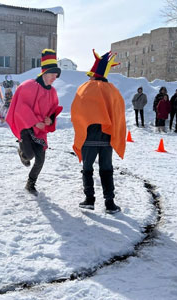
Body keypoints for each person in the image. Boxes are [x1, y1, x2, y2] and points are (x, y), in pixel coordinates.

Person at [71, 49, 126, 214]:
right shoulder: (113, 91)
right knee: (107, 169)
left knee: (87, 169)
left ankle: (89, 200)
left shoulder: (85, 88)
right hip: (107, 138)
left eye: (90, 75)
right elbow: (118, 112)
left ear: (94, 74)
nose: (89, 78)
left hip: (88, 138)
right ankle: (110, 203)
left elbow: (77, 110)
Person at [6, 49, 63, 195]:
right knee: (29, 156)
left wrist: (50, 119)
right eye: (52, 74)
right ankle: (22, 151)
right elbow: (20, 108)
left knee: (40, 160)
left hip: (41, 130)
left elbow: (53, 110)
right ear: (44, 72)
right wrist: (35, 122)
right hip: (26, 127)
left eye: (56, 75)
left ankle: (30, 184)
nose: (54, 78)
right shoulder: (28, 86)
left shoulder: (53, 92)